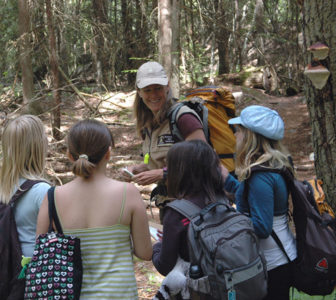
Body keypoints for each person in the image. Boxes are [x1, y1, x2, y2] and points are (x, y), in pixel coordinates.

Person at [36, 119, 153, 299]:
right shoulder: (127, 193)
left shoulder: (53, 196)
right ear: (108, 153)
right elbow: (145, 253)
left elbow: (39, 254)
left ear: (69, 155)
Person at [221, 105, 296, 300]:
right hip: (280, 257)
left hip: (273, 264)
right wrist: (227, 180)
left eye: (238, 131)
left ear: (250, 136)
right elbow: (257, 200)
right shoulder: (273, 166)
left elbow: (262, 227)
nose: (235, 136)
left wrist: (228, 220)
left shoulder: (260, 176)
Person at [122, 61, 206, 215]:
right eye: (147, 90)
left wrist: (162, 173)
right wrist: (141, 168)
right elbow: (159, 160)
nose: (153, 95)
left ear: (167, 86)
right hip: (169, 203)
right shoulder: (148, 123)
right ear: (139, 92)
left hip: (195, 205)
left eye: (158, 88)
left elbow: (203, 159)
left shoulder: (183, 117)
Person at [152, 140, 225, 299]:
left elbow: (165, 265)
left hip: (196, 291)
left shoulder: (176, 213)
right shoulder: (221, 200)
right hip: (224, 285)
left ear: (178, 172)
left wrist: (157, 247)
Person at [0, 114, 51, 258]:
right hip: (34, 270)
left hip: (7, 268)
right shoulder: (43, 191)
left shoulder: (1, 189)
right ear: (37, 146)